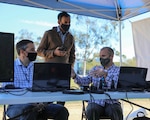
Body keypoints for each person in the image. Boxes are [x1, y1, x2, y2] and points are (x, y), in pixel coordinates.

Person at [3, 39, 69, 120]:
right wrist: (30, 101)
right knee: (30, 110)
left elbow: (44, 88)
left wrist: (42, 101)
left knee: (61, 110)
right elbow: (6, 90)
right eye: (32, 50)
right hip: (16, 105)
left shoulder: (39, 68)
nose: (35, 52)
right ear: (22, 52)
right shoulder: (10, 68)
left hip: (40, 104)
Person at [71, 47, 123, 120]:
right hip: (96, 101)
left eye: (103, 56)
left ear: (111, 56)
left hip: (112, 102)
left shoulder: (118, 71)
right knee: (92, 110)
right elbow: (85, 82)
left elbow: (118, 85)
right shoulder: (95, 68)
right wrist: (74, 76)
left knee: (116, 112)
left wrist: (106, 75)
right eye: (100, 56)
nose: (101, 58)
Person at [37, 11, 75, 105]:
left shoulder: (71, 37)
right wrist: (54, 52)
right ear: (59, 22)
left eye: (69, 22)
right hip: (49, 72)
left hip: (64, 73)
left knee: (61, 102)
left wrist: (70, 67)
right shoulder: (49, 34)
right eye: (65, 22)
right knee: (46, 101)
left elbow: (72, 55)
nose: (67, 24)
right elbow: (39, 51)